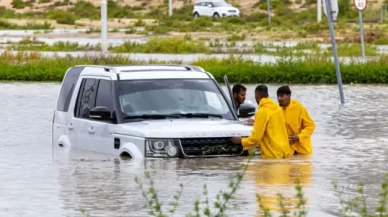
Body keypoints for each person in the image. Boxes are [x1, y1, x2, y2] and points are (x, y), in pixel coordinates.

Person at [231, 84, 292, 159]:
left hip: (273, 154)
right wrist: (256, 122)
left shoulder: (262, 112)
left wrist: (241, 141)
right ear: (268, 95)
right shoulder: (278, 108)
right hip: (285, 152)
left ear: (256, 96)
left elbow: (256, 138)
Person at [277, 86, 316, 155]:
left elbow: (311, 126)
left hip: (302, 151)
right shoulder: (277, 110)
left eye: (282, 96)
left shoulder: (299, 108)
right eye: (278, 96)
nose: (279, 98)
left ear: (289, 96)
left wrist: (299, 137)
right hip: (287, 151)